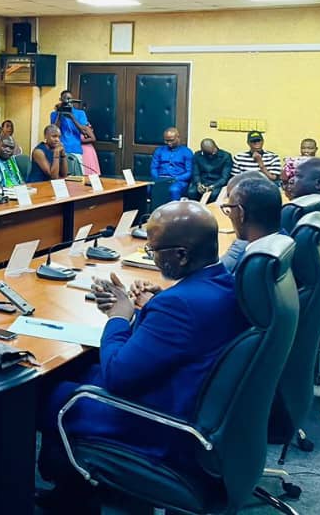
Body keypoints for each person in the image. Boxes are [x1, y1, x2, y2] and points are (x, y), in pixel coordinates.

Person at [36, 201, 247, 511]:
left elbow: (117, 376)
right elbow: (187, 332)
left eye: (154, 250)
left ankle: (65, 495)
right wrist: (150, 306)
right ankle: (75, 488)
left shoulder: (180, 305)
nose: (152, 256)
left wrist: (119, 316)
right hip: (192, 402)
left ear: (182, 255)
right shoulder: (225, 283)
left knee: (43, 391)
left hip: (159, 425)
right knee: (74, 369)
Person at [219, 171, 281, 272]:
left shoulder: (247, 260)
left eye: (230, 206)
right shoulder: (284, 239)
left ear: (241, 213)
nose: (229, 215)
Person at [49, 90, 95, 166]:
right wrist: (60, 113)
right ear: (61, 100)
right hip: (60, 149)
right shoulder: (54, 114)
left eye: (69, 99)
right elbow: (54, 131)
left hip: (75, 149)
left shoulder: (80, 113)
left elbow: (84, 131)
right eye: (65, 99)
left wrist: (72, 117)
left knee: (76, 172)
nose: (67, 102)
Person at [150, 127, 194, 201]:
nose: (169, 143)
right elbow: (154, 168)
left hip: (179, 180)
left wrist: (175, 179)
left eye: (171, 140)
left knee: (174, 189)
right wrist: (157, 179)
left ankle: (174, 208)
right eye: (166, 140)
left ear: (178, 138)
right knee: (146, 188)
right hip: (160, 179)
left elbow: (189, 172)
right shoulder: (159, 150)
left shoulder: (187, 152)